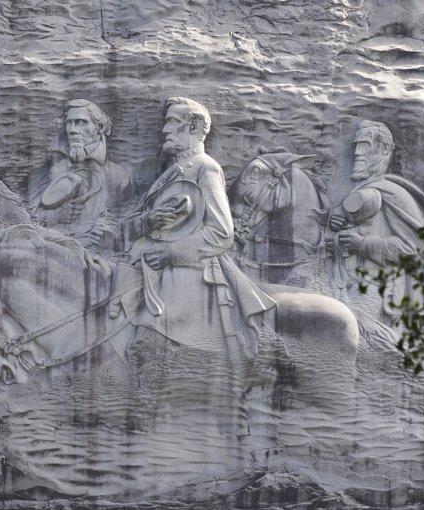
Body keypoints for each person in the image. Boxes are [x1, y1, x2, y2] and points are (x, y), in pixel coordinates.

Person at [113, 97, 276, 356]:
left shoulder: (205, 168)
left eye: (172, 122)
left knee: (146, 342)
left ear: (195, 128)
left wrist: (170, 253)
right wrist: (147, 221)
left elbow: (222, 232)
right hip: (146, 263)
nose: (164, 130)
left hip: (188, 268)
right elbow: (137, 221)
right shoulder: (170, 173)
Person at [324, 120, 424, 316]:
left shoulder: (395, 194)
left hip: (376, 293)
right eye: (356, 145)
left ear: (384, 149)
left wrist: (364, 245)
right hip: (342, 286)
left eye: (365, 145)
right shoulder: (358, 193)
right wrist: (336, 234)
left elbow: (412, 251)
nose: (356, 153)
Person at [28, 99, 135, 250]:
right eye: (69, 123)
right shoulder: (51, 170)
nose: (72, 130)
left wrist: (113, 242)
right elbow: (28, 217)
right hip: (51, 249)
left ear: (100, 127)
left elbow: (129, 228)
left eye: (81, 122)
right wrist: (56, 216)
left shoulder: (119, 177)